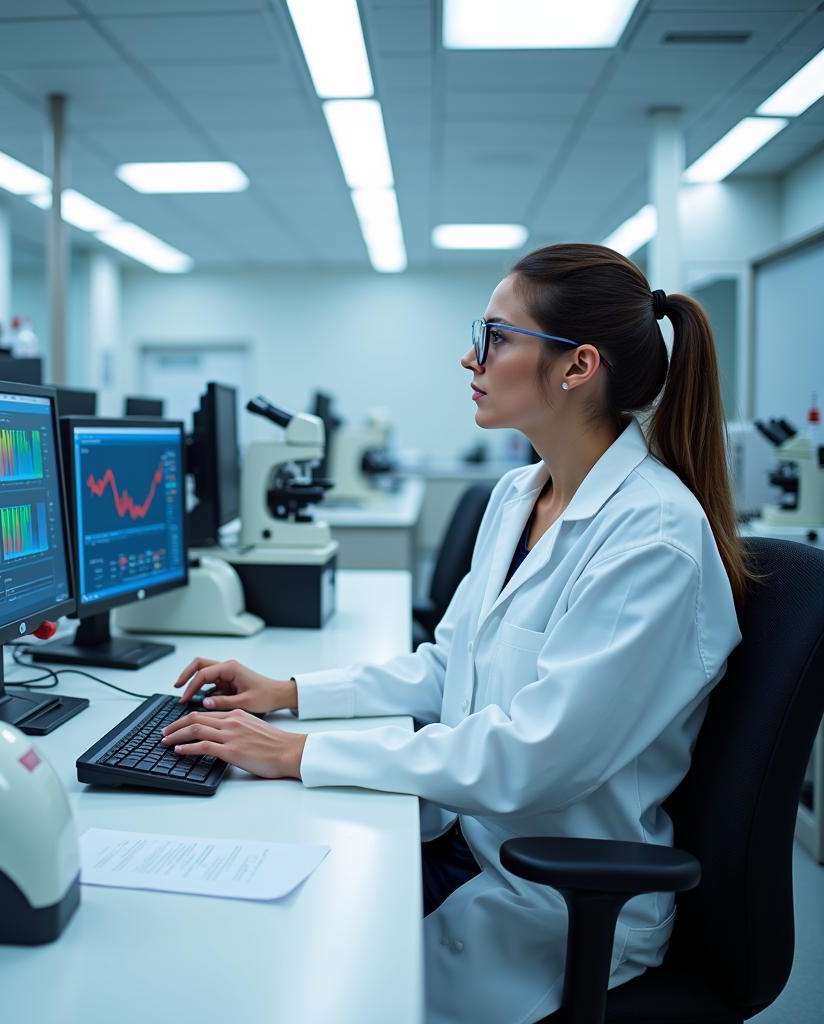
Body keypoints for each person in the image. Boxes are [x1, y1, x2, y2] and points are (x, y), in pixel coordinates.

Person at [161, 243, 749, 1024]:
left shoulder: (654, 540)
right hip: (468, 842)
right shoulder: (520, 495)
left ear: (577, 368)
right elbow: (448, 667)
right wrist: (291, 694)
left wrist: (302, 752)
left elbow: (535, 756)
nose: (470, 355)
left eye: (498, 337)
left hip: (551, 893)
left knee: (283, 967)